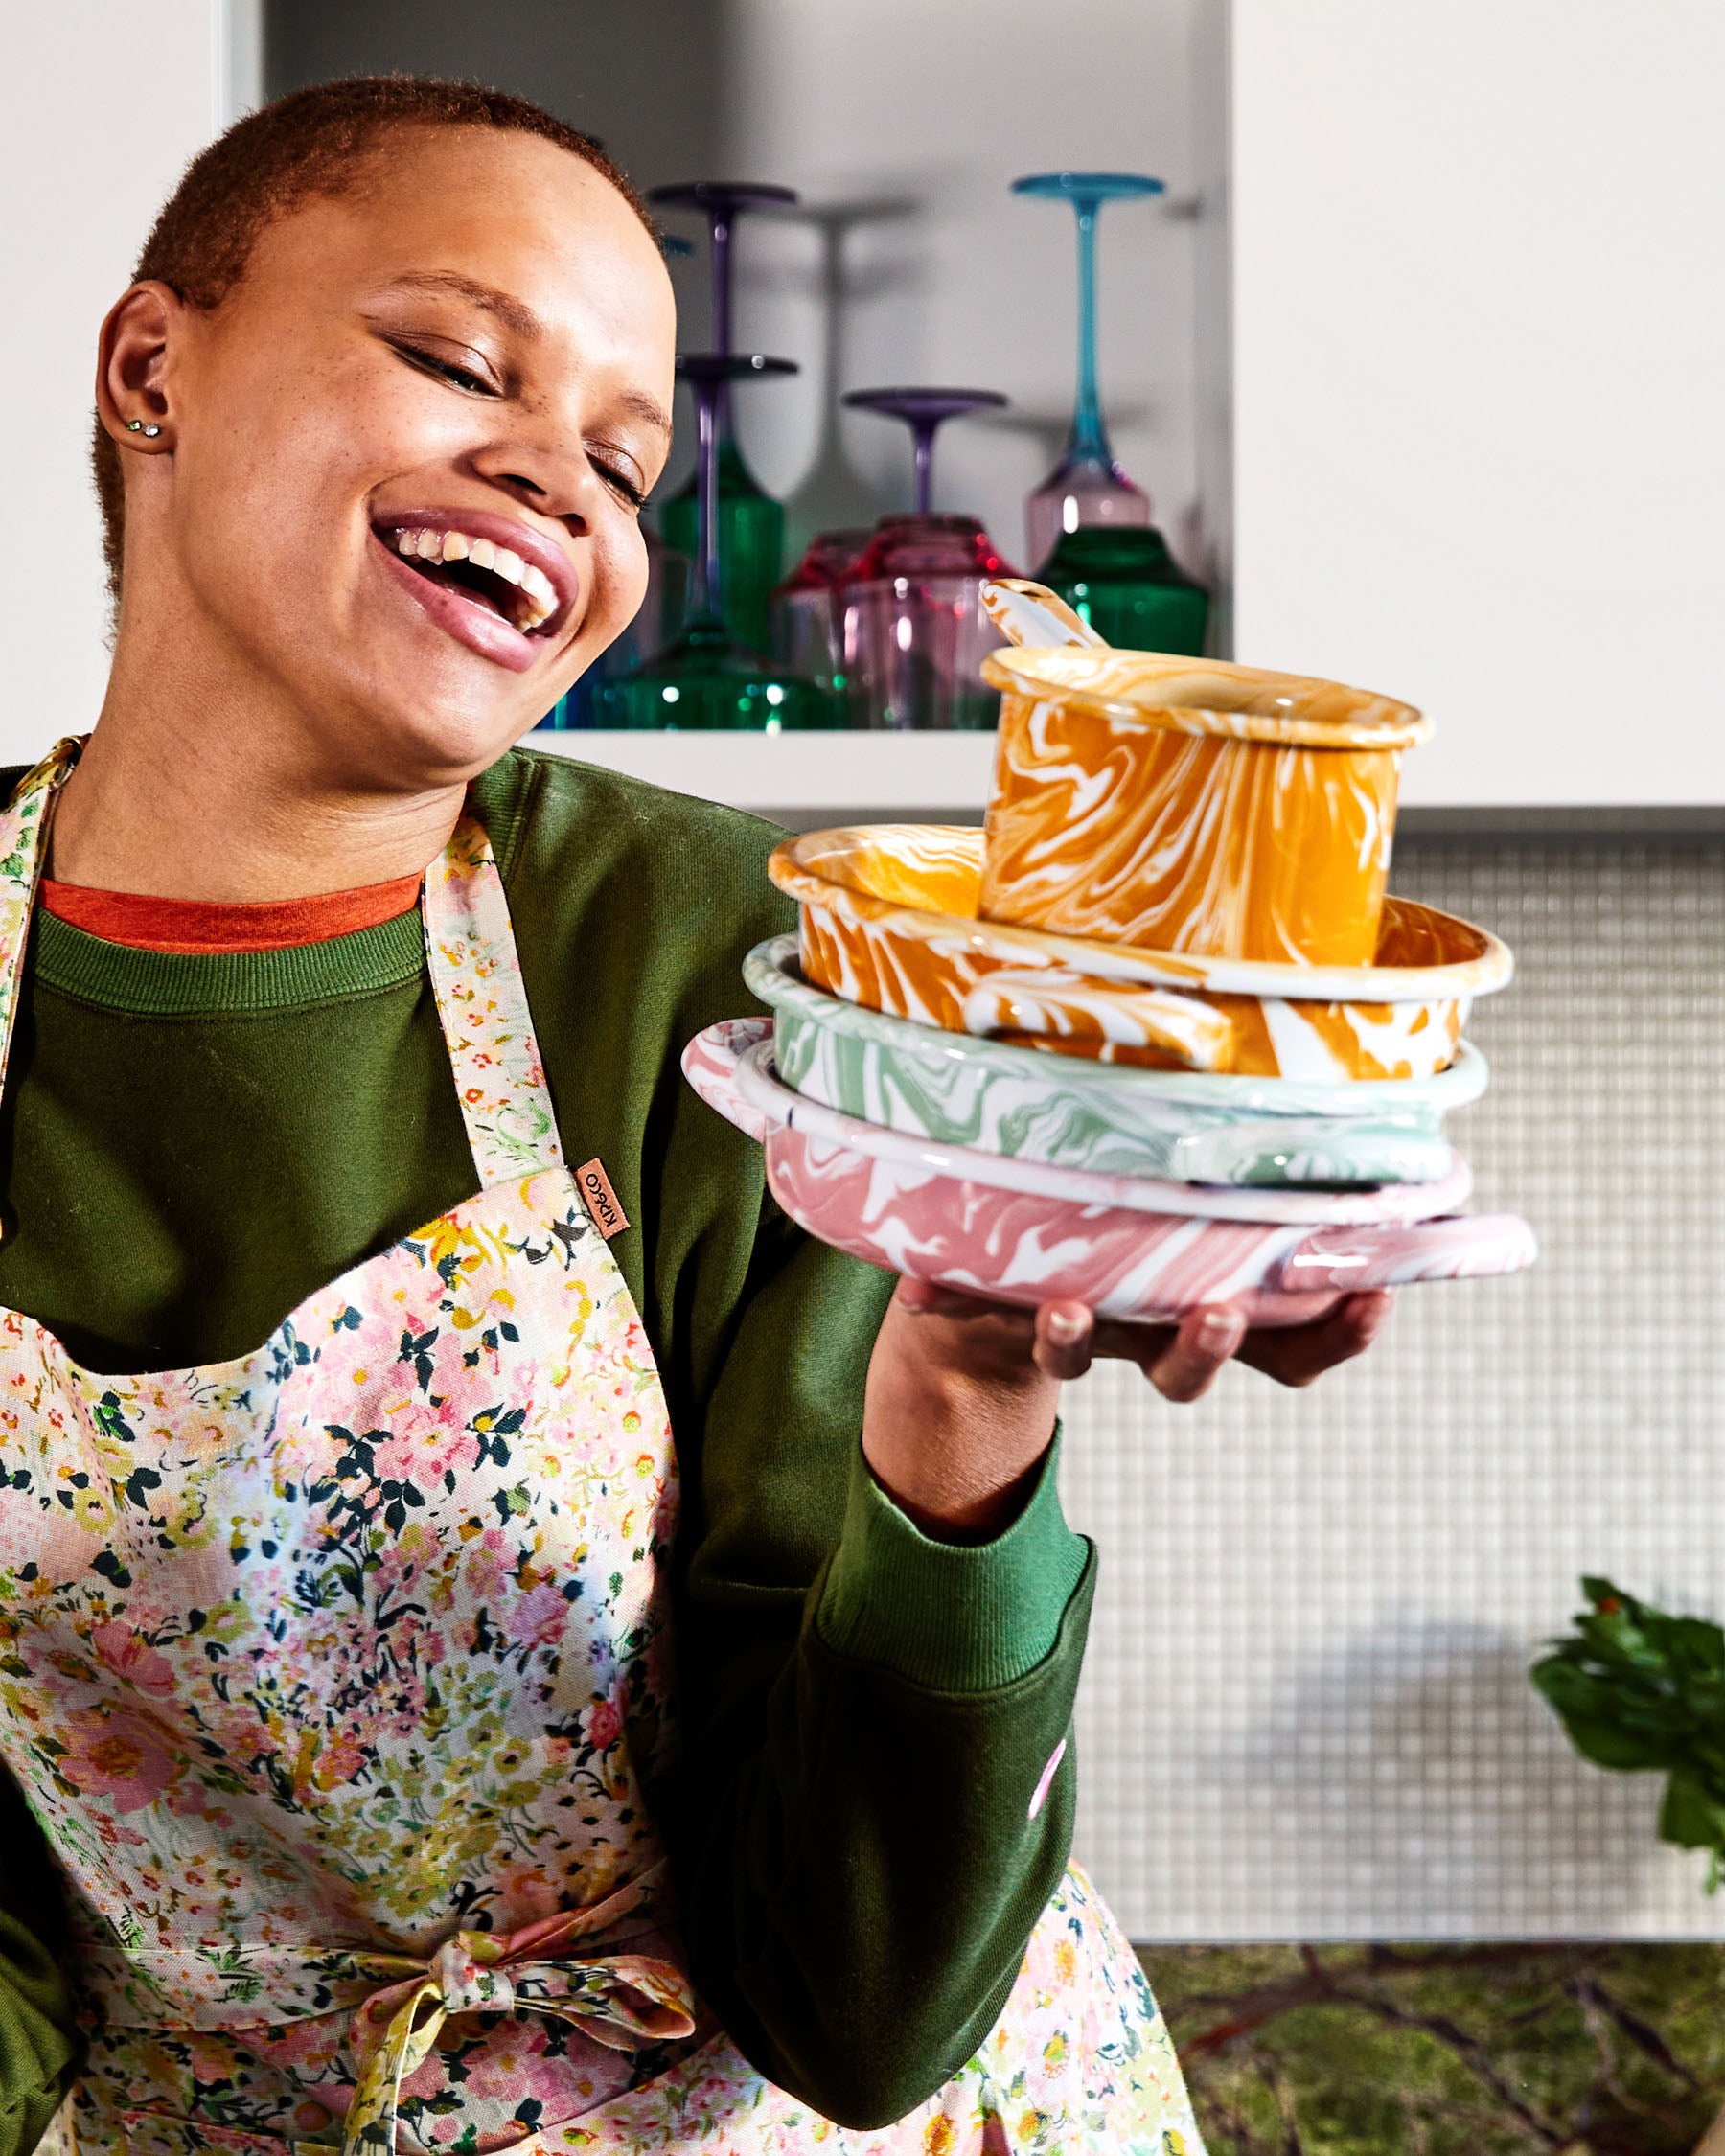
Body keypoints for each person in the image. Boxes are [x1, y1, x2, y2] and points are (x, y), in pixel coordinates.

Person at [0, 79, 1388, 2156]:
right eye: (460, 360)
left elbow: (864, 2001)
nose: (555, 477)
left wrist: (965, 1415)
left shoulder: (745, 964)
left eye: (629, 465)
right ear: (150, 367)